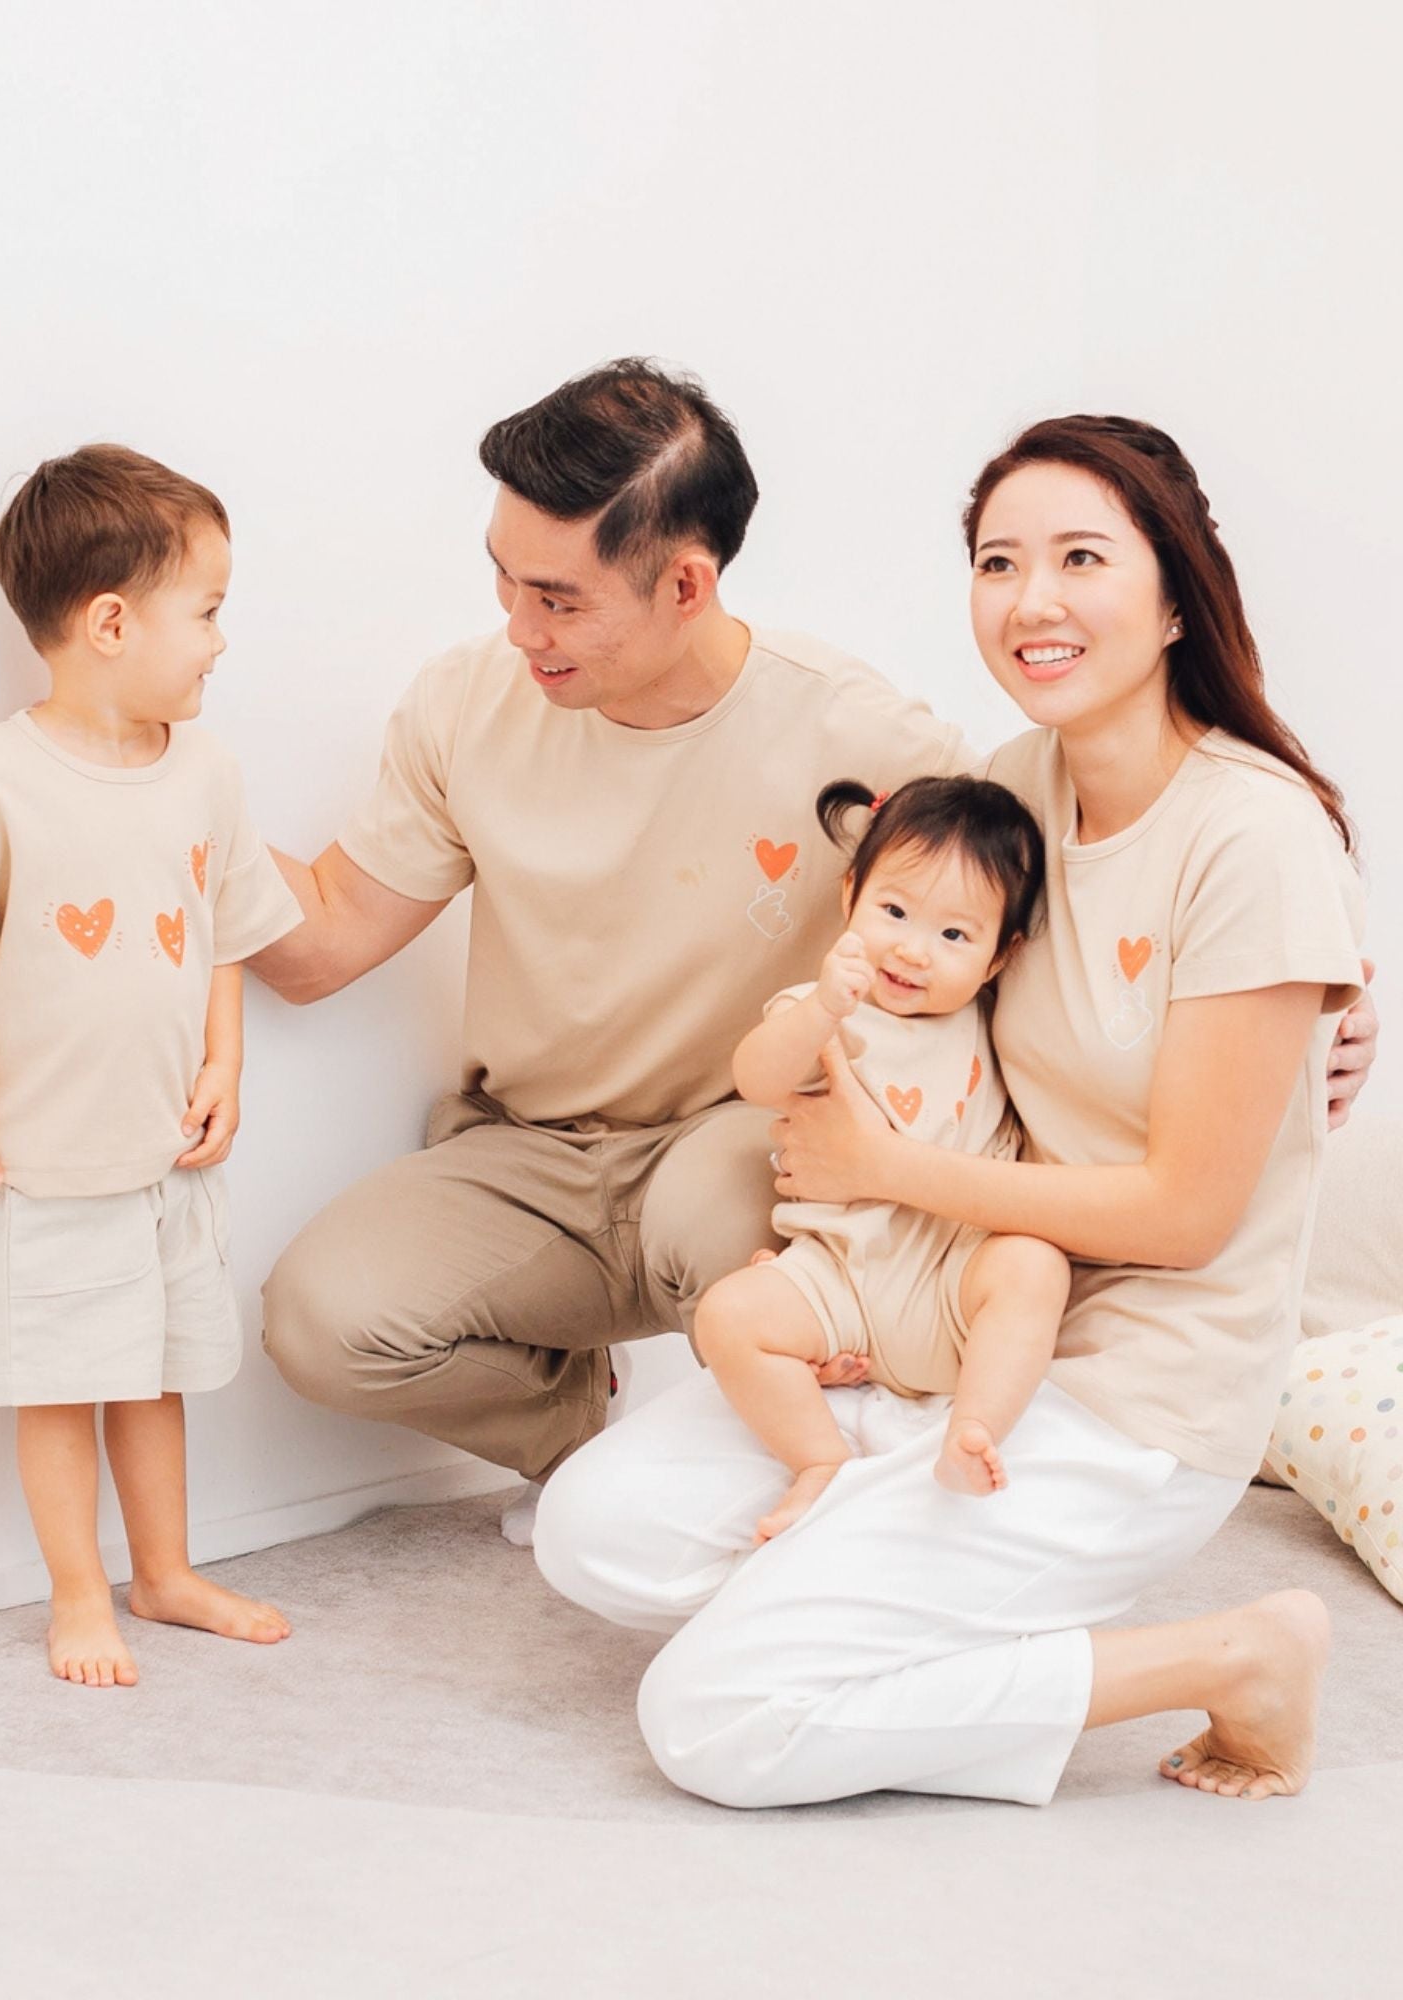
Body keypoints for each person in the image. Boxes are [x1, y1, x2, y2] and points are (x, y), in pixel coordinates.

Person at [252, 361, 1377, 1548]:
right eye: (503, 579)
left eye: (557, 599)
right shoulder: (466, 703)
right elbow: (321, 938)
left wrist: (1314, 1007)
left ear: (686, 583)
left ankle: (822, 1489)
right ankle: (590, 1445)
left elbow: (1056, 869)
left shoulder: (859, 730)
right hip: (526, 1149)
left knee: (746, 1208)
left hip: (744, 1141)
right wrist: (160, 796)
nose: (519, 626)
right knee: (324, 1318)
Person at [534, 414, 1367, 1809]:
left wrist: (882, 1167)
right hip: (936, 1335)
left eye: (1081, 558)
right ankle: (890, 1594)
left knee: (713, 1723)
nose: (1032, 600)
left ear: (1177, 596)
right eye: (998, 562)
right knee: (593, 1529)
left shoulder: (1254, 837)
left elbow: (1186, 1213)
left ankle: (1234, 1656)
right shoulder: (1017, 787)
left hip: (1131, 1391)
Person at [0, 446, 303, 1686]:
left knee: (156, 1376)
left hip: (164, 1153)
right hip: (40, 1164)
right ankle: (77, 1592)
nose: (221, 641)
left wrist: (225, 1060)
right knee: (57, 1384)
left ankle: (164, 1570)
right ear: (112, 622)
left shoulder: (207, 774)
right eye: (206, 611)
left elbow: (222, 930)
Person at [699, 773, 1069, 1538]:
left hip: (951, 1278)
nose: (912, 950)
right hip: (837, 1277)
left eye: (955, 936)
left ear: (999, 959)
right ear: (850, 896)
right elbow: (757, 1079)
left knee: (1034, 1266)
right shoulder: (821, 1012)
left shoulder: (991, 1018)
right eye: (894, 912)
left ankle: (972, 1429)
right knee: (728, 1315)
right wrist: (823, 1008)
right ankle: (818, 1460)